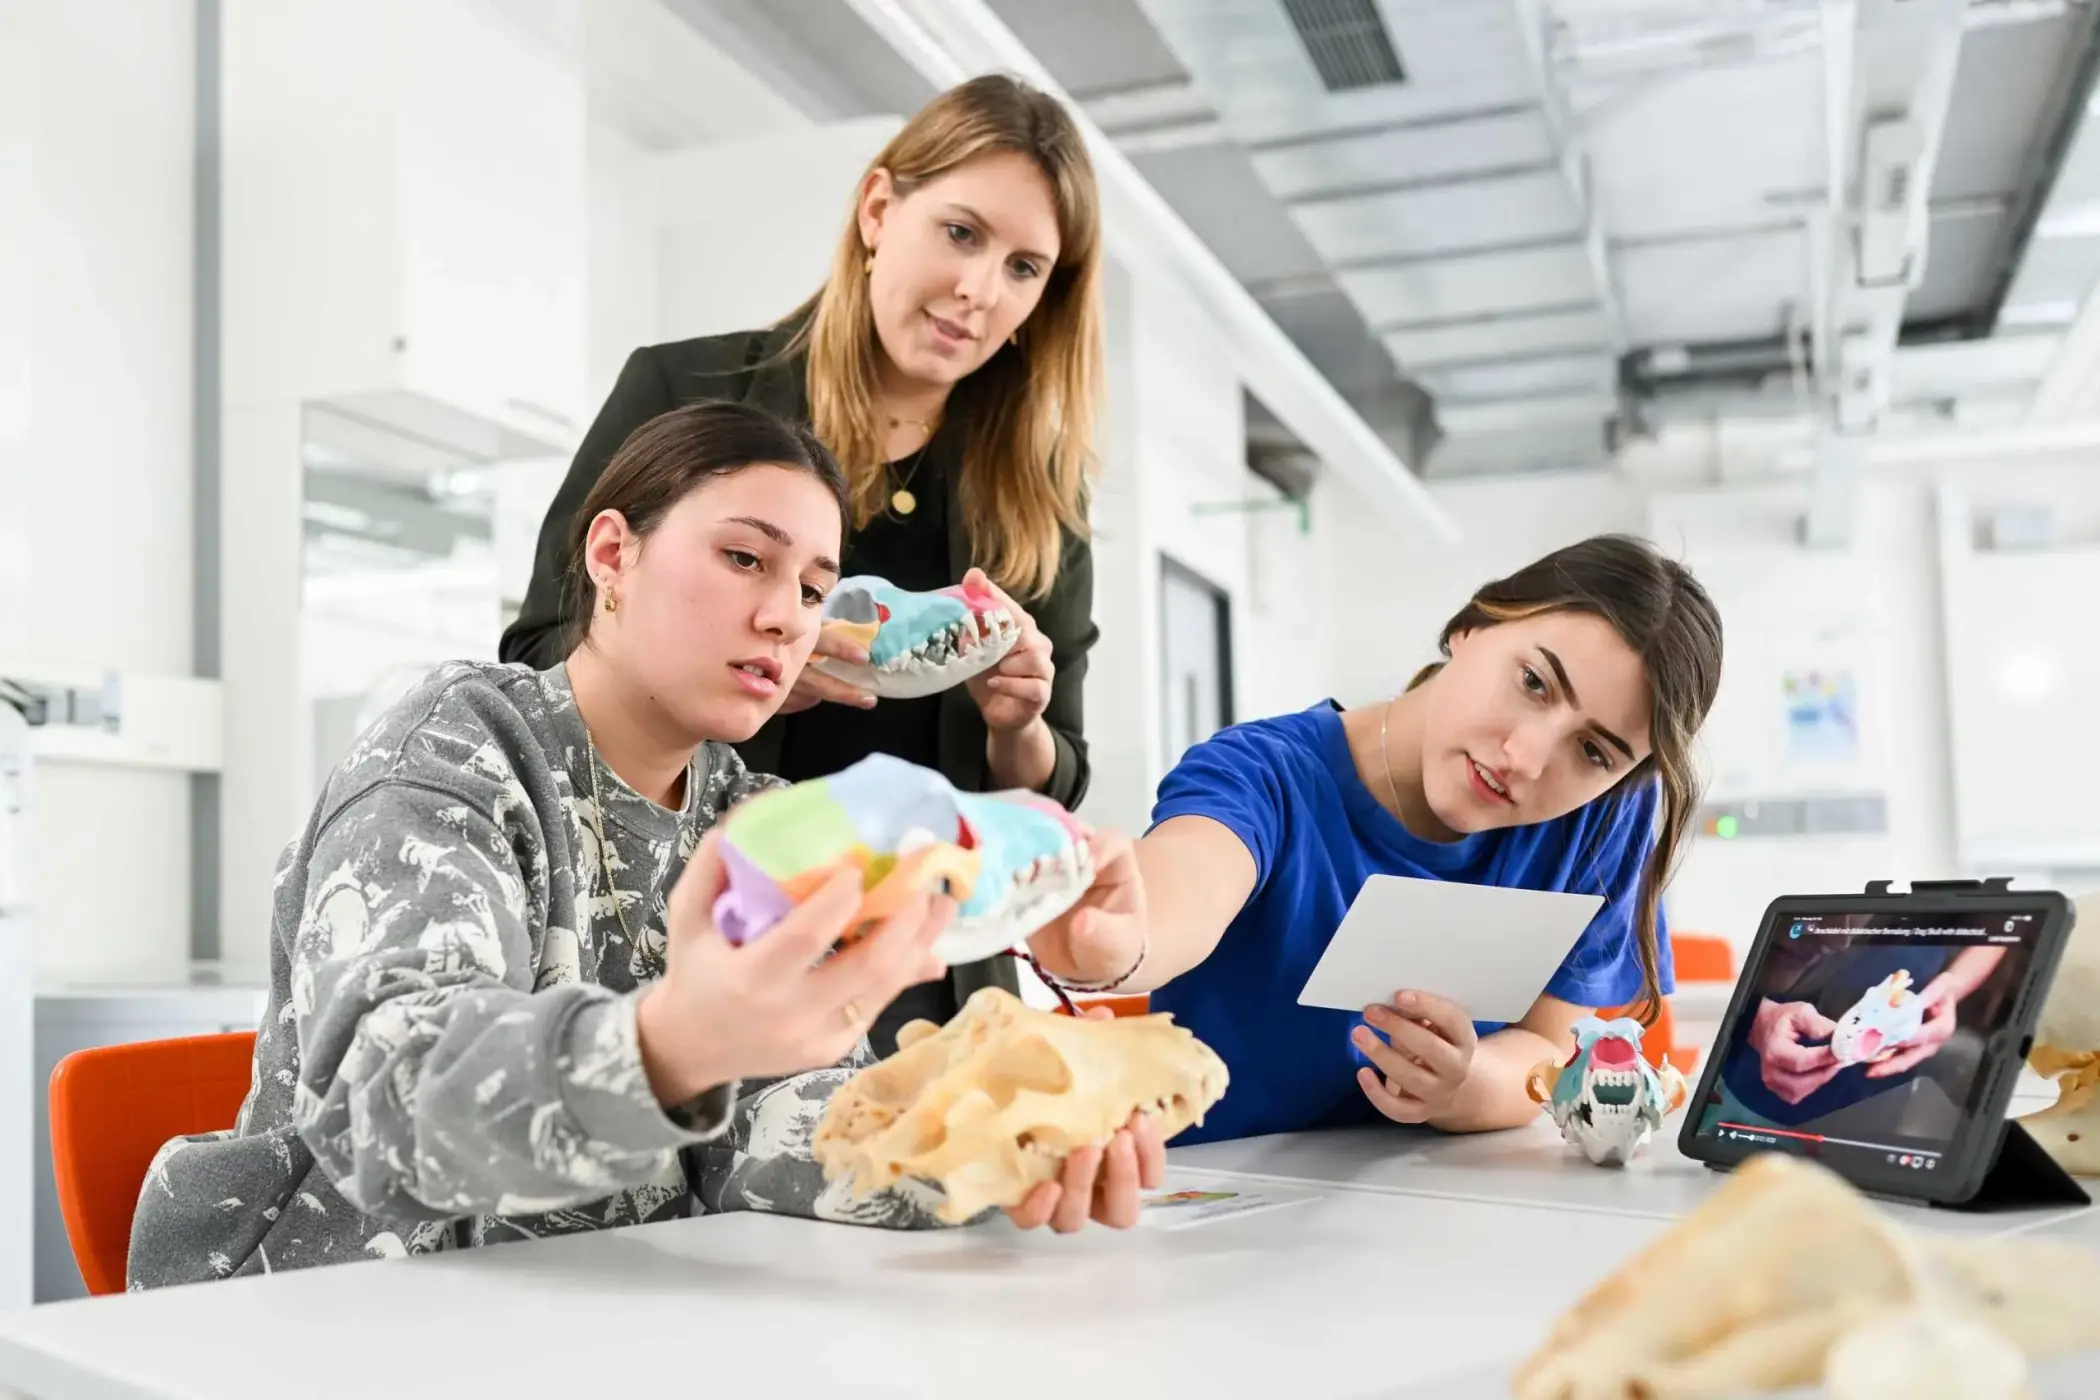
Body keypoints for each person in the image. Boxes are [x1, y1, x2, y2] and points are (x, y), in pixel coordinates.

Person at [127, 402, 1159, 1289]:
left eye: (813, 588)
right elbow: (386, 1111)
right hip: (328, 1321)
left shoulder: (753, 815)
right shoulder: (452, 748)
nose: (782, 616)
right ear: (613, 552)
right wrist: (672, 1040)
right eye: (745, 557)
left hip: (591, 1318)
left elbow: (775, 1118)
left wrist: (982, 1135)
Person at [500, 74, 1104, 1056]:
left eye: (1025, 267)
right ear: (878, 209)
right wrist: (754, 684)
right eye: (961, 233)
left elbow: (1049, 785)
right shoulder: (686, 392)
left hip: (922, 979)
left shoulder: (1038, 500)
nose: (979, 290)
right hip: (690, 940)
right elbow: (538, 655)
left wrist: (1019, 724)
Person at [1024, 534, 1726, 1146]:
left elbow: (1548, 1050)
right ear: (1473, 626)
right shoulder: (1266, 775)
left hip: (1431, 1216)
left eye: (1595, 752)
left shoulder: (1602, 819)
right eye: (1534, 682)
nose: (1526, 756)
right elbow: (1182, 888)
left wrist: (1464, 1085)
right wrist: (1113, 938)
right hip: (1220, 1213)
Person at [1717, 939, 2008, 1133]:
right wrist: (1757, 1016)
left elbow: (1996, 930)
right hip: (1757, 1074)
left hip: (1875, 1085)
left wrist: (1953, 986)